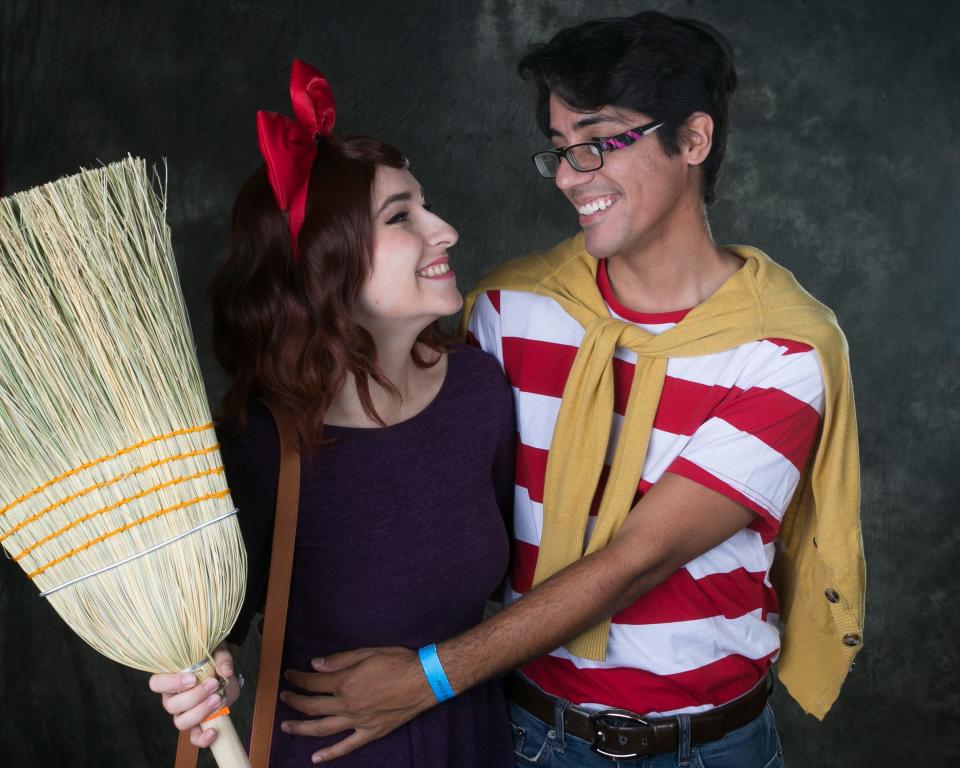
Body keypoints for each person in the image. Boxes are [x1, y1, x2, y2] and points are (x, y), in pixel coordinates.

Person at [286, 11, 865, 768]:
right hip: (525, 734)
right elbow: (413, 488)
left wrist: (428, 678)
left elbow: (640, 559)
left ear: (692, 140)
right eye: (560, 150)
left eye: (597, 144)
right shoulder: (504, 310)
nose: (567, 175)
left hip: (708, 746)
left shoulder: (783, 350)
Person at [147, 60, 516, 768]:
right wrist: (202, 679)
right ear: (325, 265)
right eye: (403, 217)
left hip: (481, 744)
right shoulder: (259, 446)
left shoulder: (481, 393)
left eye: (425, 206)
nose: (446, 232)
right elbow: (216, 638)